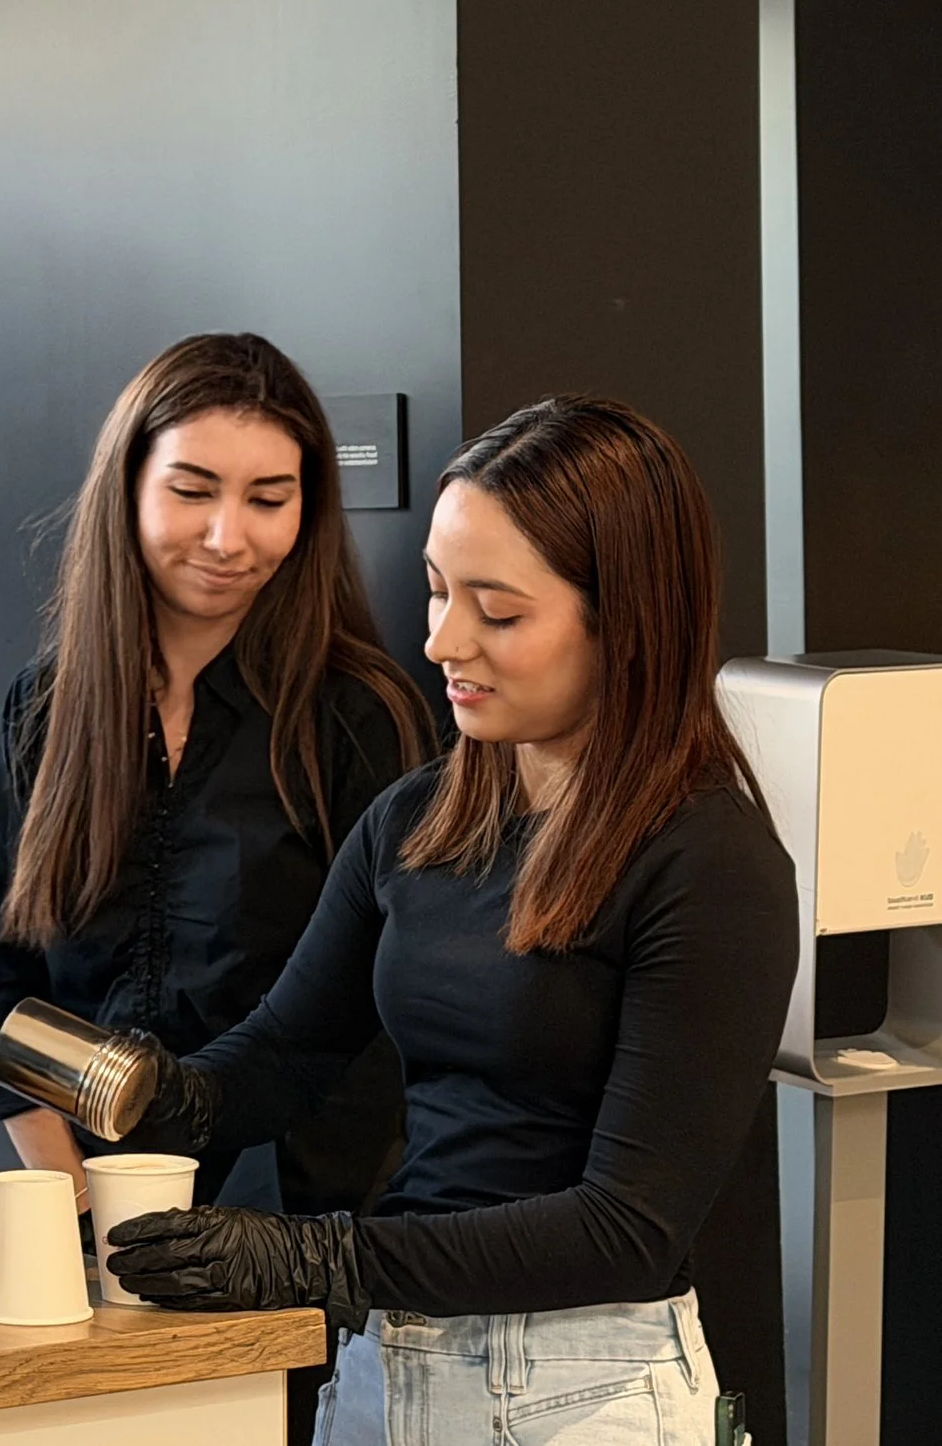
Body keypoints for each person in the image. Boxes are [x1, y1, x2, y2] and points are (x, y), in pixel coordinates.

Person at [103, 397, 799, 1446]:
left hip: (584, 1387)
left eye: (498, 612)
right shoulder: (417, 819)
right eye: (435, 590)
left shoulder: (710, 863)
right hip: (387, 1364)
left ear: (626, 620)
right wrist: (162, 1096)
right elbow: (289, 1052)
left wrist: (320, 1259)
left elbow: (627, 1229)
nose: (441, 640)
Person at [0, 333, 433, 1221]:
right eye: (192, 490)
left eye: (268, 498)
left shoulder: (362, 714)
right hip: (88, 1220)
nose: (228, 536)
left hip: (300, 1227)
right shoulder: (46, 706)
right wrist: (76, 1205)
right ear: (129, 484)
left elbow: (382, 1024)